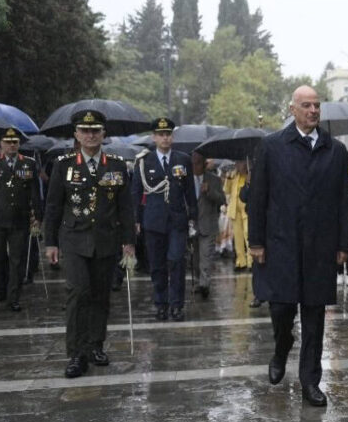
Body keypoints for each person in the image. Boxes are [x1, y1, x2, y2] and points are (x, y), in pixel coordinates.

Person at [248, 85, 348, 407]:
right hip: (281, 244)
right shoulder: (271, 147)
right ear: (292, 109)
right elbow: (258, 198)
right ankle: (281, 347)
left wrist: (344, 244)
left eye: (317, 106)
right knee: (280, 308)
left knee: (314, 314)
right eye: (306, 105)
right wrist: (256, 241)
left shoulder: (334, 150)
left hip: (319, 248)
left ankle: (311, 381)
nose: (313, 111)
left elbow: (342, 202)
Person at [44, 110, 135, 378]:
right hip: (73, 240)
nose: (90, 135)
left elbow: (125, 208)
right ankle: (75, 353)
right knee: (78, 293)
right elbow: (53, 206)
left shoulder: (116, 165)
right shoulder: (64, 164)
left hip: (106, 240)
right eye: (85, 130)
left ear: (103, 134)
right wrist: (50, 243)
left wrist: (129, 241)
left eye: (95, 130)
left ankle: (95, 344)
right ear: (76, 135)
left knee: (100, 296)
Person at [131, 118, 197, 321]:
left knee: (177, 262)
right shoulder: (144, 161)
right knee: (157, 266)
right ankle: (161, 303)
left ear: (172, 137)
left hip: (177, 221)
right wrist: (135, 220)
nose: (165, 138)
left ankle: (177, 305)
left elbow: (189, 192)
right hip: (153, 221)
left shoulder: (183, 159)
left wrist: (193, 218)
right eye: (161, 134)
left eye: (168, 134)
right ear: (154, 137)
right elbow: (135, 193)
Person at [0, 128, 41, 312]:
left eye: (15, 142)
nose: (12, 145)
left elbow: (35, 192)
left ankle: (13, 298)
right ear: (1, 144)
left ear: (19, 144)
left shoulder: (28, 164)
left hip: (19, 219)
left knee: (17, 261)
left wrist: (38, 215)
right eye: (8, 142)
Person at [192, 154, 225, 300]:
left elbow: (222, 200)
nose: (195, 167)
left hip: (208, 224)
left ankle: (204, 285)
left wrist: (209, 192)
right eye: (193, 164)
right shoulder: (185, 179)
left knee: (205, 257)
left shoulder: (214, 180)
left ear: (204, 164)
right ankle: (199, 281)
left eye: (198, 163)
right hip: (191, 225)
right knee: (195, 259)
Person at [227, 159, 251, 272]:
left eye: (240, 163)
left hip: (246, 210)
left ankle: (251, 261)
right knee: (238, 237)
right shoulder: (233, 176)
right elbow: (226, 191)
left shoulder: (249, 175)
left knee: (248, 234)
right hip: (234, 209)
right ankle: (241, 261)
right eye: (236, 163)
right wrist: (228, 179)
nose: (237, 165)